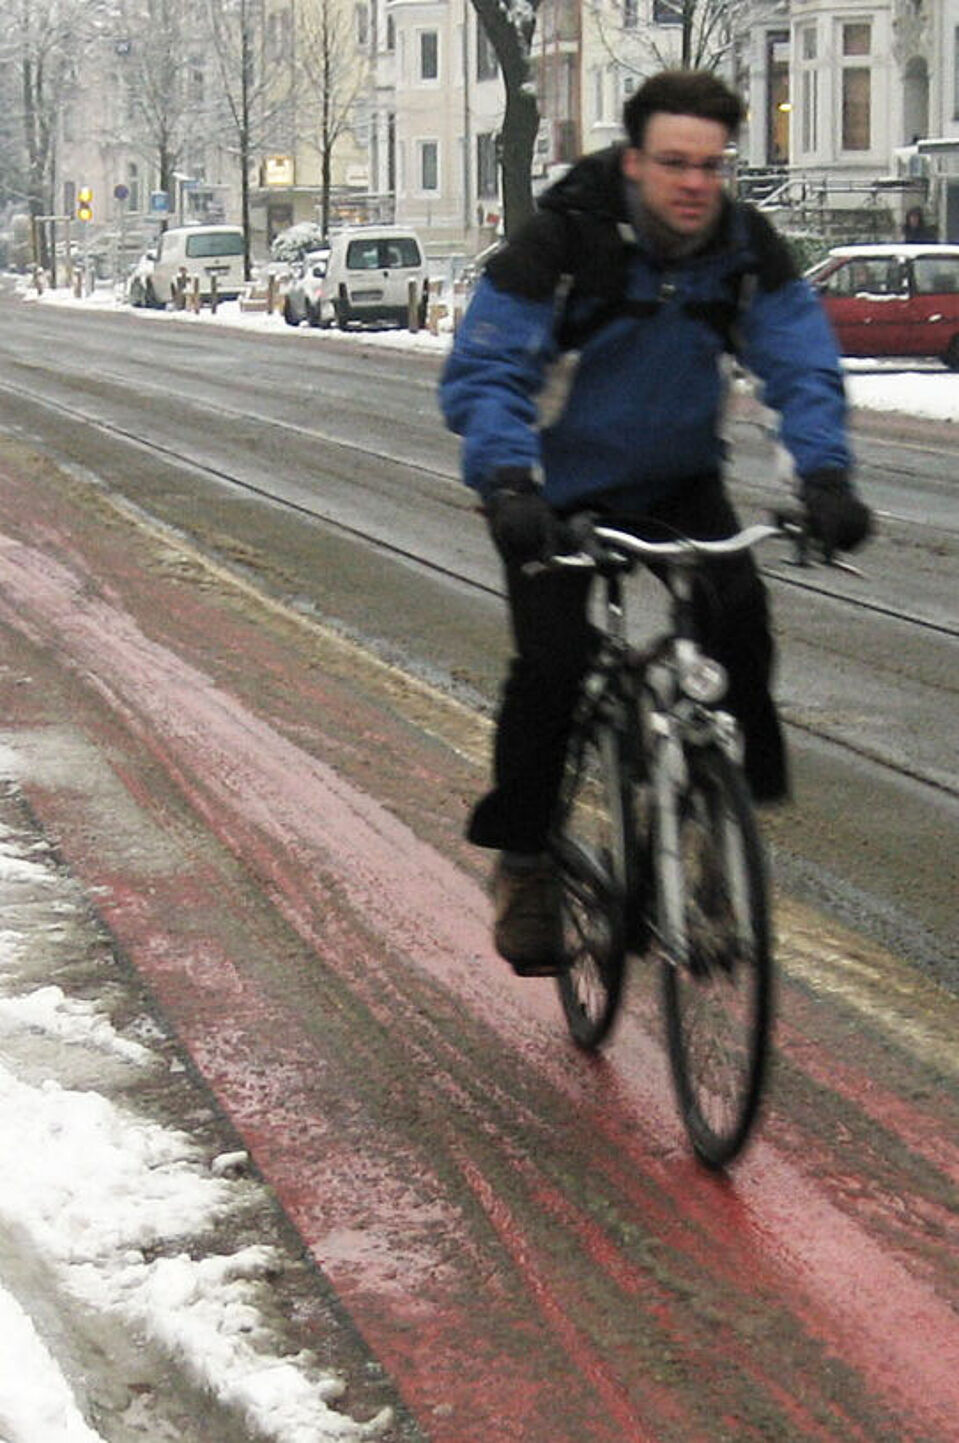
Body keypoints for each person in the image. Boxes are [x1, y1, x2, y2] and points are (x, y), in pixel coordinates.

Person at [439, 69, 872, 975]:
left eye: (710, 166)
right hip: (550, 488)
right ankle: (526, 864)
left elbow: (800, 360)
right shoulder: (563, 237)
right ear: (633, 161)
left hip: (677, 479)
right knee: (552, 669)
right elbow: (489, 370)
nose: (692, 184)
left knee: (740, 628)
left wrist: (826, 474)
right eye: (673, 162)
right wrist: (508, 485)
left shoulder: (743, 246)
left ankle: (718, 823)